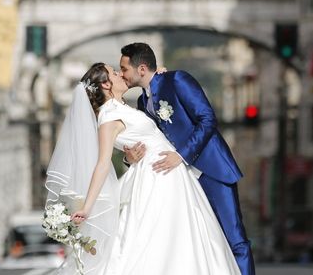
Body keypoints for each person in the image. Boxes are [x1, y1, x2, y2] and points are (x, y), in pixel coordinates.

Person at [47, 63, 239, 274]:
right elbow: (102, 163)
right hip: (157, 176)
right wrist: (87, 207)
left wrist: (160, 81)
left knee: (184, 235)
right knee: (164, 239)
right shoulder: (109, 117)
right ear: (105, 84)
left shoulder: (122, 107)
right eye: (114, 72)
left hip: (169, 172)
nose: (120, 74)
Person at [120, 43, 255, 275]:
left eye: (124, 69)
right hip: (179, 181)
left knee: (235, 239)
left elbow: (207, 119)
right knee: (200, 242)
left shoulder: (177, 80)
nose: (122, 74)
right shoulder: (143, 103)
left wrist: (181, 155)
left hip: (211, 169)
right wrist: (128, 158)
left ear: (141, 69)